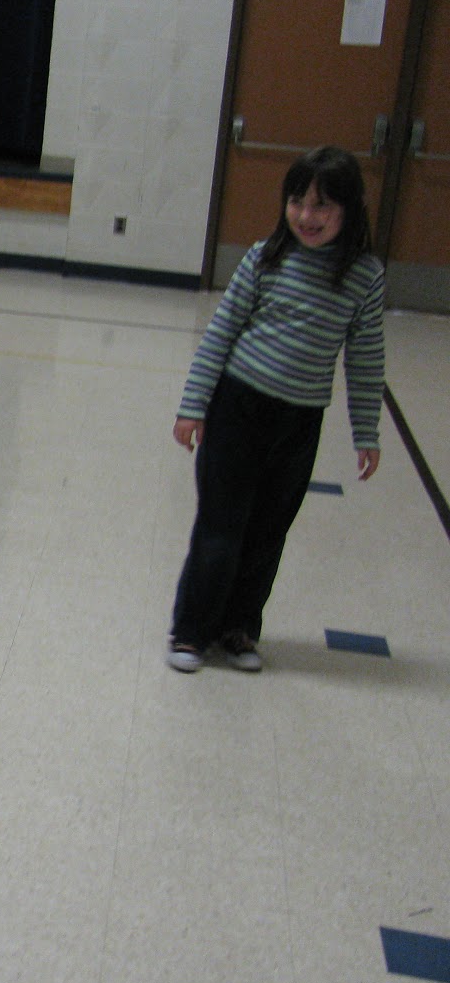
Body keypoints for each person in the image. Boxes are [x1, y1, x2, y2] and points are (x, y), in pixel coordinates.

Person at [167, 145, 386, 674]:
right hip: (238, 409)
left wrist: (366, 433)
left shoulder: (364, 276)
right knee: (221, 525)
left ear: (349, 210)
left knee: (268, 531)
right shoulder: (265, 257)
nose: (306, 217)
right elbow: (219, 335)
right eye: (297, 202)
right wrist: (192, 406)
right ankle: (192, 632)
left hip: (299, 423)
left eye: (321, 206)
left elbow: (366, 357)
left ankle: (239, 629)